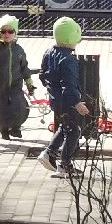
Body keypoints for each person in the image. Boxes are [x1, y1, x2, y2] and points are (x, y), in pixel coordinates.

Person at [38, 16, 90, 177]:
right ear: (71, 39)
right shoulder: (69, 60)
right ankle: (64, 164)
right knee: (74, 131)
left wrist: (50, 88)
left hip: (55, 99)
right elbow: (69, 84)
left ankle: (49, 153)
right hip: (67, 101)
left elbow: (42, 75)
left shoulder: (49, 53)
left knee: (65, 127)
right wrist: (77, 103)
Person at [0, 14, 36, 141]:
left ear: (15, 33)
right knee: (2, 109)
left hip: (15, 85)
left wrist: (29, 83)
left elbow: (24, 68)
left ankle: (15, 127)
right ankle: (3, 130)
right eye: (3, 31)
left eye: (10, 31)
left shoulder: (19, 50)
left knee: (20, 106)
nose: (6, 34)